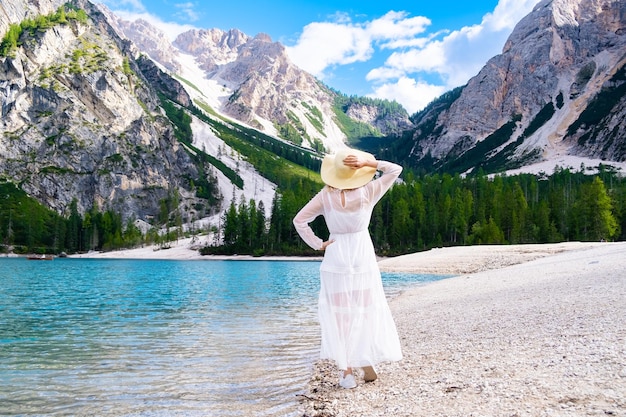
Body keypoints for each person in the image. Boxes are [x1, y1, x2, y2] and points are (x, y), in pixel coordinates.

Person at [293, 147, 403, 389]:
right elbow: (395, 169)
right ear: (356, 172)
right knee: (364, 309)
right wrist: (368, 162)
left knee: (339, 314)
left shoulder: (326, 195)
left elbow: (299, 220)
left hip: (336, 253)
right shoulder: (368, 190)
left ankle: (346, 372)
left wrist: (318, 244)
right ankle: (363, 356)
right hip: (362, 253)